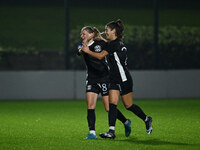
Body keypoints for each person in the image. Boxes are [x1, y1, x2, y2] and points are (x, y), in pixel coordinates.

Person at [81, 20, 153, 139]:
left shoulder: (115, 44)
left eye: (107, 30)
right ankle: (111, 132)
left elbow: (100, 56)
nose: (105, 32)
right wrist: (100, 39)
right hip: (113, 79)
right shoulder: (114, 43)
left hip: (124, 79)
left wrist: (88, 51)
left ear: (114, 31)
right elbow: (106, 44)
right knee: (112, 104)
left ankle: (146, 119)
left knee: (128, 105)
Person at [78, 26, 131, 139]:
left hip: (105, 78)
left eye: (84, 34)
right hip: (92, 79)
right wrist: (83, 48)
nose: (82, 36)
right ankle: (92, 133)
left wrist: (103, 40)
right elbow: (80, 51)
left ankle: (126, 121)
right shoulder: (83, 46)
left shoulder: (101, 43)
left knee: (108, 108)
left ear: (92, 34)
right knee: (90, 106)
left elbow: (112, 46)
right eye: (81, 34)